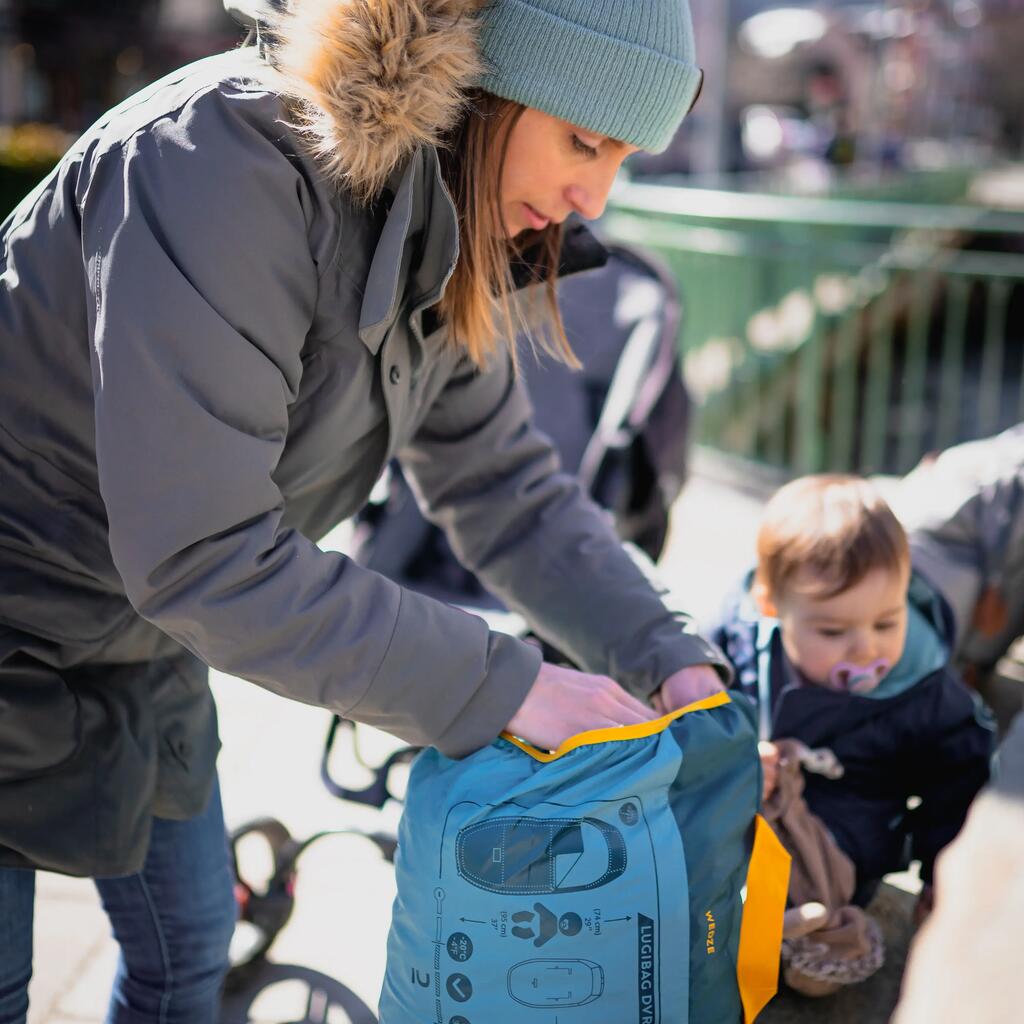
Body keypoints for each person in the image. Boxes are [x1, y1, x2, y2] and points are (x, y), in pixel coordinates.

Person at [0, 1, 727, 1021]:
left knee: (190, 953)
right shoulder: (222, 164)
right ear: (485, 86)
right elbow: (206, 554)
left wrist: (668, 652)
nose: (591, 198)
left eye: (621, 161)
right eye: (582, 140)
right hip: (23, 612)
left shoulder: (447, 221)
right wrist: (507, 685)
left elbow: (503, 489)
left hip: (137, 643)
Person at [710, 475, 994, 993]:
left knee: (822, 874)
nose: (866, 650)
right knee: (708, 831)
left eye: (887, 623)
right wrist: (735, 754)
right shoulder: (736, 640)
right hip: (754, 793)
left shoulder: (926, 691)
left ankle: (807, 936)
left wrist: (938, 873)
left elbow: (959, 780)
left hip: (849, 825)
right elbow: (697, 709)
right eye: (834, 632)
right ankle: (727, 920)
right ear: (770, 605)